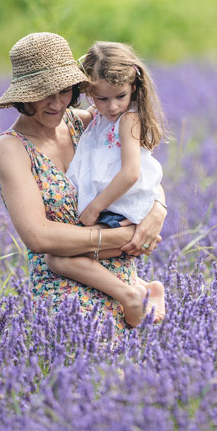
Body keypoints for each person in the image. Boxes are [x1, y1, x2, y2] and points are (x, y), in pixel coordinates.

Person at [0, 32, 167, 333]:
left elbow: (137, 167)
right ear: (23, 95)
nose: (57, 103)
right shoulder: (12, 148)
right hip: (61, 285)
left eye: (64, 91)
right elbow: (39, 238)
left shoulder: (83, 123)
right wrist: (121, 236)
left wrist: (158, 209)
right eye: (43, 94)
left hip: (119, 276)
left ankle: (137, 293)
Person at [45, 42, 167, 325]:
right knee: (74, 258)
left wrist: (93, 209)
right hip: (114, 212)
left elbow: (131, 173)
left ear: (134, 87)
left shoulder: (129, 119)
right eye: (101, 99)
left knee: (58, 260)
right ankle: (143, 288)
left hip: (119, 213)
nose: (111, 106)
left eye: (119, 96)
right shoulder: (98, 118)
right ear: (89, 93)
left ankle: (133, 294)